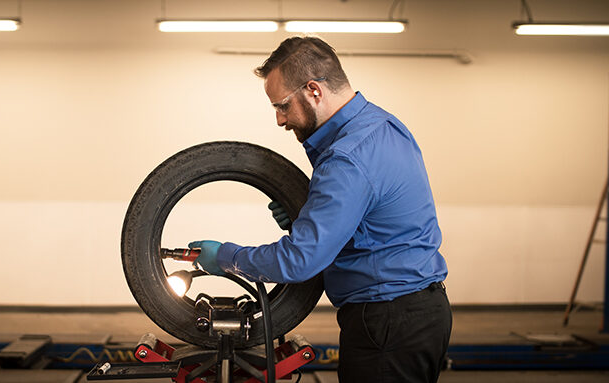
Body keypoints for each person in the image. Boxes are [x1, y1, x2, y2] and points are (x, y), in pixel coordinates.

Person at [189, 36, 452, 383]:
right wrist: (304, 219)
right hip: (417, 314)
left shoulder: (347, 157)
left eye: (282, 105)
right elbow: (370, 226)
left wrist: (226, 256)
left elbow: (301, 261)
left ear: (313, 90)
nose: (280, 120)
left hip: (388, 324)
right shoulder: (384, 126)